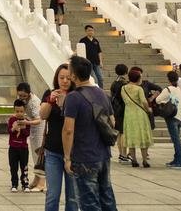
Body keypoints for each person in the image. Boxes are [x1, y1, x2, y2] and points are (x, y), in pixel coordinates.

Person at [62, 55, 117, 211]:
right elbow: (112, 122)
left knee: (89, 202)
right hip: (103, 154)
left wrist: (67, 157)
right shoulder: (102, 94)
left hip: (84, 156)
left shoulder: (73, 97)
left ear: (74, 76)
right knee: (107, 199)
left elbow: (68, 130)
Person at [42, 63, 79, 211]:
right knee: (52, 195)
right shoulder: (50, 93)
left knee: (73, 197)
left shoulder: (76, 96)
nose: (64, 81)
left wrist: (65, 105)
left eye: (68, 78)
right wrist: (50, 101)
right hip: (53, 151)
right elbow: (42, 115)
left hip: (73, 152)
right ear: (56, 78)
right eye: (61, 77)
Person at [120, 69, 152, 168]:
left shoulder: (123, 88)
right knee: (143, 135)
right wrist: (148, 109)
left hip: (129, 114)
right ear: (138, 78)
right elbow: (144, 101)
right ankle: (144, 160)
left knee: (131, 136)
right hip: (140, 114)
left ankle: (134, 160)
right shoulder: (139, 89)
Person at [17, 82, 46, 191]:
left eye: (24, 96)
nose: (22, 98)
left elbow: (39, 120)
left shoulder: (34, 102)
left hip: (39, 128)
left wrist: (27, 122)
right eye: (20, 95)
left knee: (40, 154)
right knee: (34, 154)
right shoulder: (21, 98)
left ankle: (42, 182)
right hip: (32, 126)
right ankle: (36, 180)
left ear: (29, 93)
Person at [154, 71, 181, 169]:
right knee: (176, 139)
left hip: (172, 117)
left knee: (176, 140)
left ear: (168, 79)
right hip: (179, 116)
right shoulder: (178, 89)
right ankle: (176, 159)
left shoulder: (168, 89)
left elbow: (157, 100)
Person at [8, 99, 31, 192]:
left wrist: (23, 128)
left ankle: (25, 184)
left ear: (24, 111)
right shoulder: (12, 119)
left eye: (21, 111)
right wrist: (14, 128)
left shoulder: (26, 121)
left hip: (23, 148)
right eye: (17, 111)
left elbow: (27, 134)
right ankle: (14, 184)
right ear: (14, 110)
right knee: (13, 167)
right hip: (13, 148)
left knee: (24, 167)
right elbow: (9, 131)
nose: (19, 113)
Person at [108, 64, 129, 164]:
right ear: (126, 72)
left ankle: (121, 154)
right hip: (123, 109)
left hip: (115, 109)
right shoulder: (124, 84)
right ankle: (124, 155)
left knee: (119, 133)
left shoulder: (114, 83)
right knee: (123, 133)